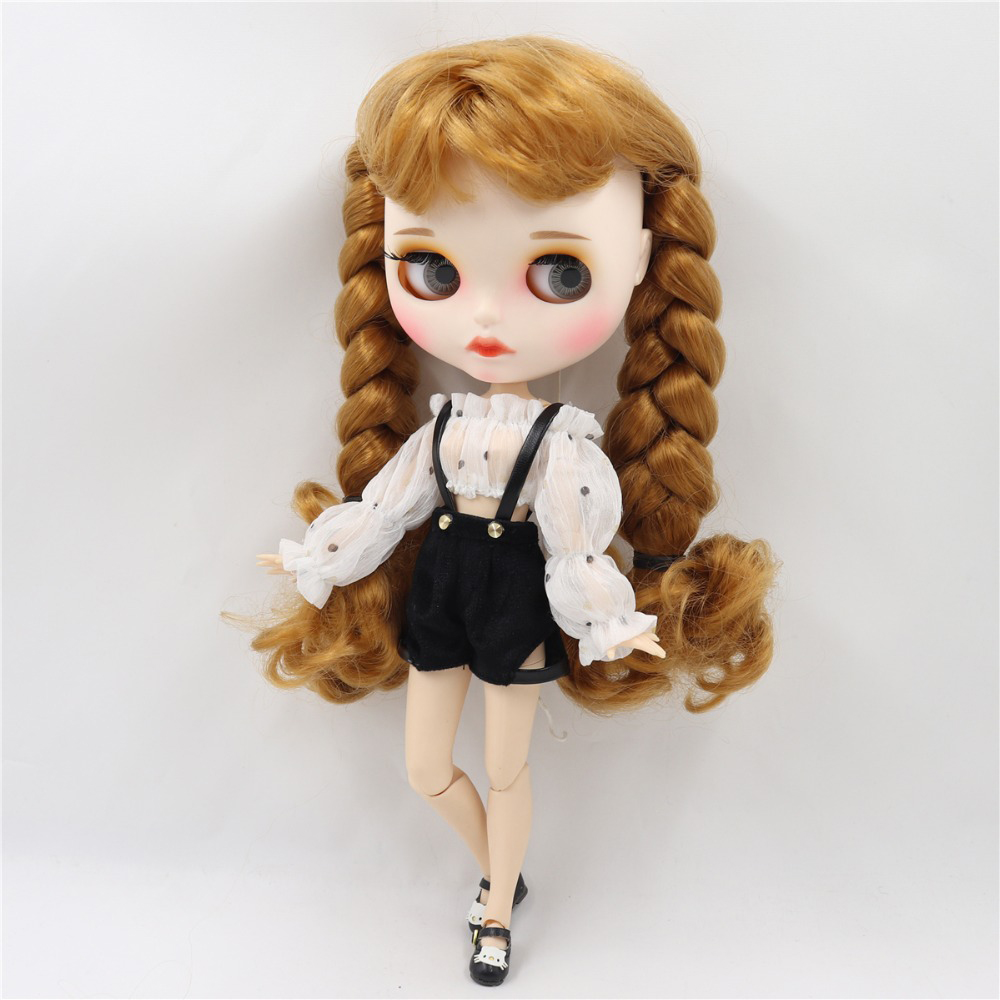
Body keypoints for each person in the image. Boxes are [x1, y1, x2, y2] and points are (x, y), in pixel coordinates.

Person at [252, 35, 778, 986]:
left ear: (641, 260)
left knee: (504, 768)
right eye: (434, 269)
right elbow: (388, 509)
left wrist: (610, 618)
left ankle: (494, 910)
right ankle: (504, 869)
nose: (487, 320)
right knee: (426, 768)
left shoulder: (565, 448)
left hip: (513, 594)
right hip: (441, 585)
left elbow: (575, 549)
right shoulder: (442, 427)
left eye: (561, 273)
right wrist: (320, 560)